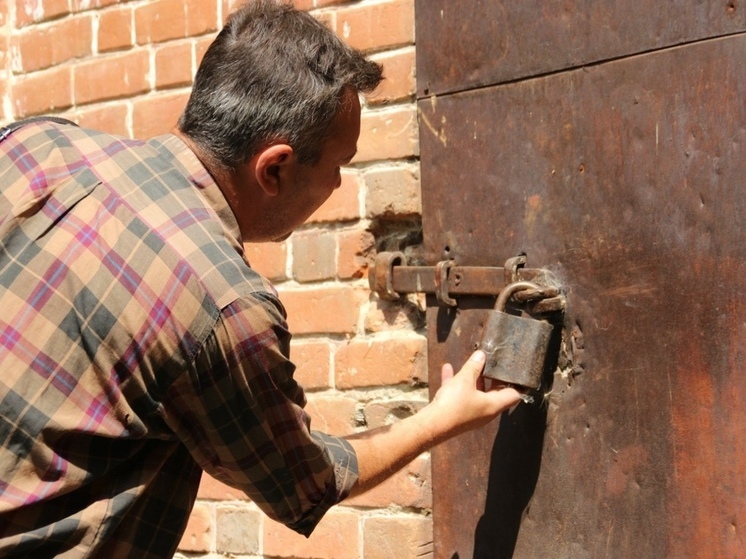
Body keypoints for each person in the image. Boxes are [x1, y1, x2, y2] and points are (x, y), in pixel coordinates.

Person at [0, 0, 522, 556]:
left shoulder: (35, 146)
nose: (340, 186)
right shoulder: (222, 302)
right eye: (337, 165)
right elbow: (304, 483)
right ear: (274, 167)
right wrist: (439, 421)